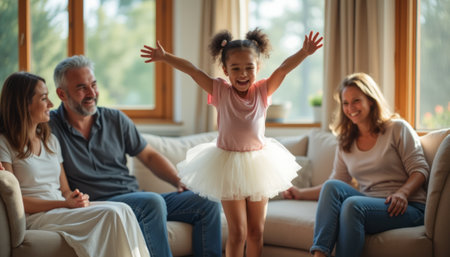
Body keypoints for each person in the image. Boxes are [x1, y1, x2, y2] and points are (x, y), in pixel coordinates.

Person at [141, 28, 323, 257]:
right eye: (235, 68)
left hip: (259, 163)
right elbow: (193, 71)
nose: (243, 73)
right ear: (225, 70)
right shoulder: (220, 91)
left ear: (258, 67)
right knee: (238, 231)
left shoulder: (263, 91)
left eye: (249, 67)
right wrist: (165, 57)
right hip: (227, 164)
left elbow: (284, 69)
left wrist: (304, 52)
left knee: (256, 231)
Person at [49, 56, 222, 257]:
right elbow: (13, 126)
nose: (92, 93)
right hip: (97, 205)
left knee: (206, 201)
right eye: (81, 88)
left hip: (133, 197)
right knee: (151, 202)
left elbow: (149, 156)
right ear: (62, 94)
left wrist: (179, 181)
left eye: (93, 85)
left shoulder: (115, 119)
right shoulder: (49, 127)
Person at [0, 72, 150, 257]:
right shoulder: (4, 144)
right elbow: (16, 201)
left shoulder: (50, 141)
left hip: (60, 207)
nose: (51, 105)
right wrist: (64, 203)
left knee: (124, 209)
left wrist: (75, 198)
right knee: (109, 215)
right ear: (24, 104)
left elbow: (64, 189)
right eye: (44, 98)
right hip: (36, 216)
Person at [283, 72, 430, 257]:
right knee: (332, 186)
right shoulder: (346, 141)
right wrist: (300, 194)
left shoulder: (397, 129)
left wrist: (403, 192)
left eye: (356, 101)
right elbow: (337, 183)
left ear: (370, 100)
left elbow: (420, 169)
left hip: (409, 206)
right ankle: (319, 254)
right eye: (345, 103)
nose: (350, 107)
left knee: (352, 206)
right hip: (371, 204)